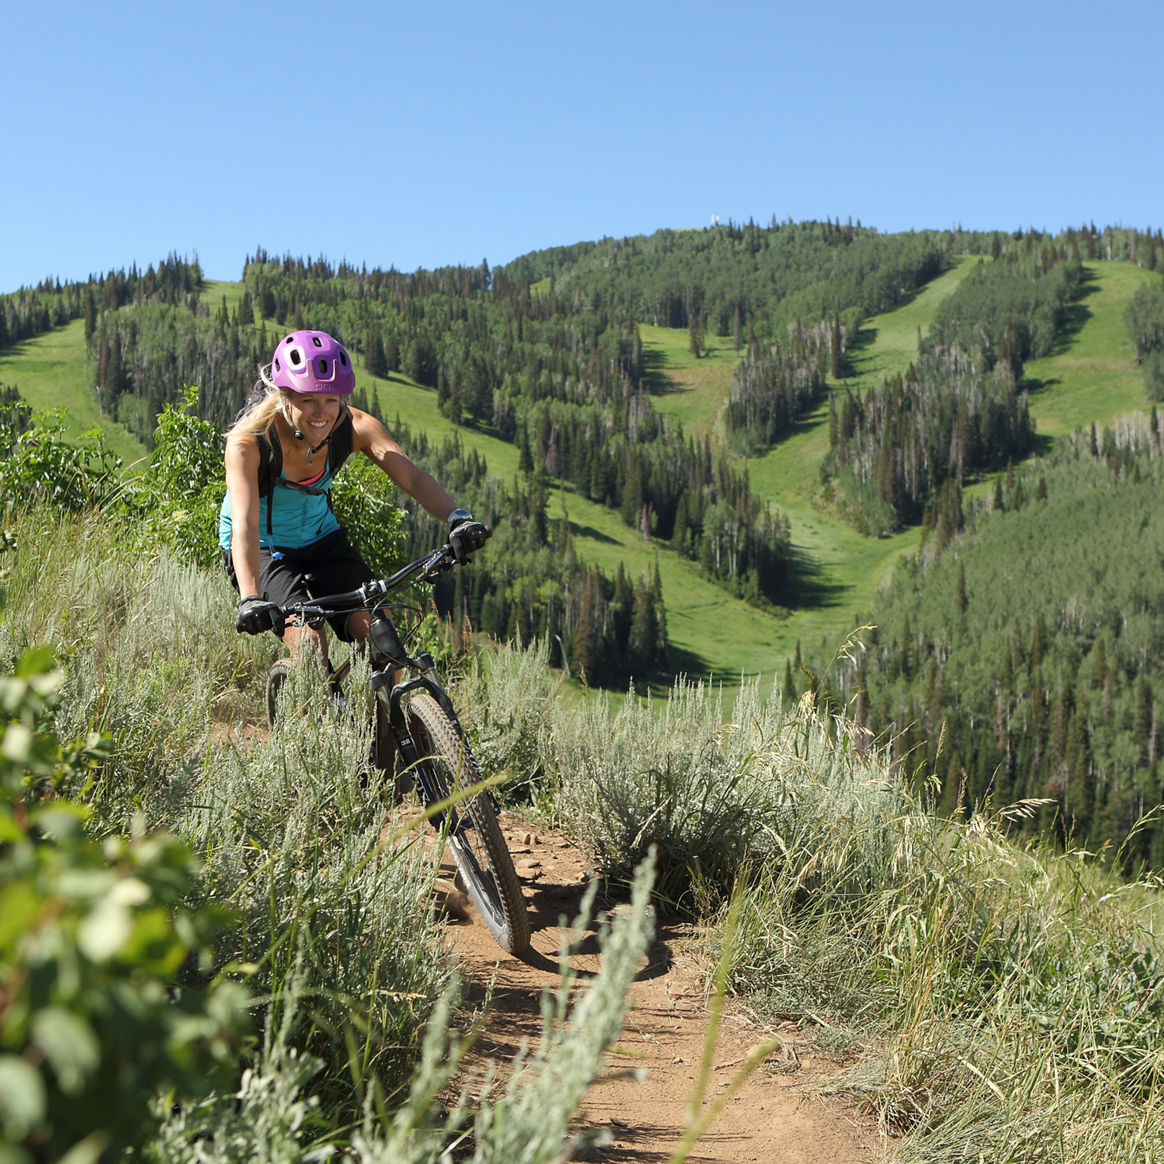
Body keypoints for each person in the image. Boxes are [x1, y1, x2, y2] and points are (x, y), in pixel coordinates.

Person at [219, 329, 488, 667]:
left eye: (332, 399)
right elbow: (244, 521)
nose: (322, 413)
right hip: (260, 545)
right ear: (285, 396)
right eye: (308, 400)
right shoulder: (249, 441)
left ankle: (388, 720)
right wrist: (250, 597)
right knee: (310, 643)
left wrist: (457, 517)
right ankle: (308, 719)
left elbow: (414, 478)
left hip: (320, 538)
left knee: (383, 635)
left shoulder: (354, 427)